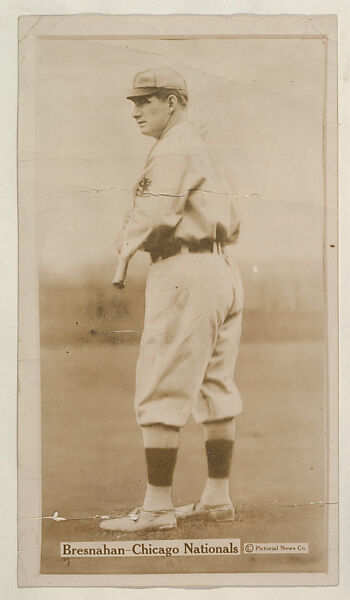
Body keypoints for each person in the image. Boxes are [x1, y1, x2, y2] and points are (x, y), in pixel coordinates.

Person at [100, 67, 244, 533]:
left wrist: (122, 254)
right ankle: (217, 499)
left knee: (161, 383)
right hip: (221, 268)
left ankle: (157, 508)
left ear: (173, 102)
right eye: (134, 102)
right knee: (215, 384)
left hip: (184, 271)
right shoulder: (200, 143)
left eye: (145, 101)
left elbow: (156, 212)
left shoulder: (174, 146)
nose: (136, 111)